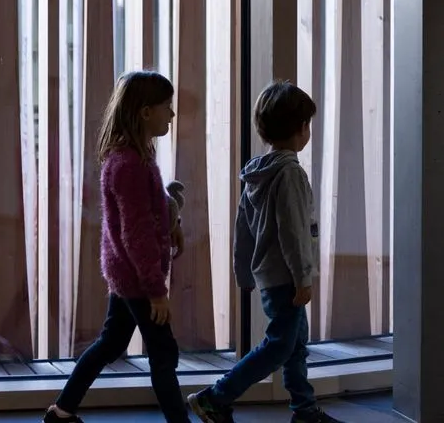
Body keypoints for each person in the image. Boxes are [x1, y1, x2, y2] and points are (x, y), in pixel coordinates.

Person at [187, 81, 342, 423]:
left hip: (270, 277)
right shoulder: (290, 174)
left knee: (294, 345)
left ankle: (304, 410)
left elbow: (243, 230)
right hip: (287, 278)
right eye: (309, 126)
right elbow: (294, 232)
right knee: (280, 346)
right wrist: (303, 277)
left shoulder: (257, 174)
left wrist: (243, 272)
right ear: (302, 129)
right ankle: (216, 396)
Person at [43, 70, 188, 423]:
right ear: (144, 112)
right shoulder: (128, 165)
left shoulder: (135, 158)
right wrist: (156, 291)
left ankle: (61, 412)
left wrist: (173, 226)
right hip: (137, 279)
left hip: (126, 274)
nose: (171, 114)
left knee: (111, 343)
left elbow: (149, 210)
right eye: (166, 107)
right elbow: (135, 234)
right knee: (163, 352)